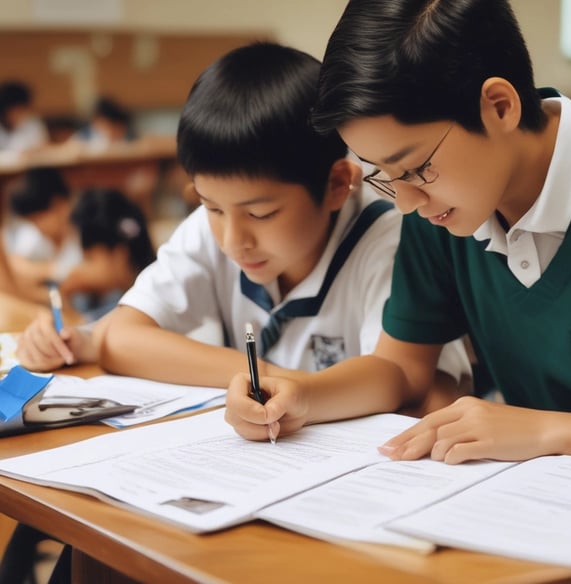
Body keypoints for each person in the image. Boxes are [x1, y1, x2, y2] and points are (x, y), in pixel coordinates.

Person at [224, 3, 571, 580]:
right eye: (384, 174)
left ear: (501, 106)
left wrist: (543, 431)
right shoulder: (442, 210)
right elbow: (401, 368)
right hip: (547, 532)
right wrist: (303, 395)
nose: (405, 201)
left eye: (415, 168)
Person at [17, 41, 469, 407]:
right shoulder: (214, 226)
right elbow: (121, 336)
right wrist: (267, 379)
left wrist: (291, 391)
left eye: (261, 214)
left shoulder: (392, 243)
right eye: (211, 207)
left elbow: (423, 395)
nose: (233, 240)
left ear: (336, 184)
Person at [63, 187, 156, 323]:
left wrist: (64, 298)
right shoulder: (103, 295)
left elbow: (84, 327)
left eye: (89, 258)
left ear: (119, 255)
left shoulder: (143, 304)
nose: (82, 266)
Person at [3, 166, 82, 303]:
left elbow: (81, 277)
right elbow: (13, 264)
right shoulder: (33, 233)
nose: (37, 226)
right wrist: (50, 271)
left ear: (60, 205)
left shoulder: (83, 231)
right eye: (32, 221)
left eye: (40, 218)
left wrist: (40, 272)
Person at [0, 80, 49, 153]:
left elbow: (44, 150)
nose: (16, 114)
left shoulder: (33, 124)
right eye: (13, 111)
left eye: (20, 110)